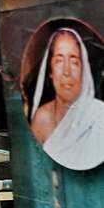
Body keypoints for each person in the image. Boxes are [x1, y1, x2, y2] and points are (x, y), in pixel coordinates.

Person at [29, 27, 104, 170]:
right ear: (50, 71)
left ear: (84, 70)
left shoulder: (99, 116)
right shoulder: (41, 118)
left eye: (74, 61)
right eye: (59, 61)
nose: (67, 71)